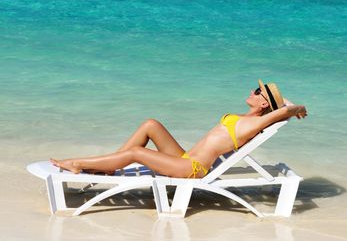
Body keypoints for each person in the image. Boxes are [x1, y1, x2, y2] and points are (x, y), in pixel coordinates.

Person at [50, 79, 307, 178]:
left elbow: (284, 110)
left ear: (264, 103)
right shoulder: (245, 116)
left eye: (258, 91)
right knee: (151, 124)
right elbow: (280, 108)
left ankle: (79, 163)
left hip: (193, 168)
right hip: (184, 158)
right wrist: (278, 103)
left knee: (137, 154)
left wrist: (294, 107)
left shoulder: (255, 122)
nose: (252, 91)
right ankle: (108, 166)